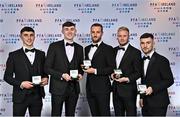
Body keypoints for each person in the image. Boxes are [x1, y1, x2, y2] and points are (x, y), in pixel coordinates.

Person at [3, 26, 48, 116]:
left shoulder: (41, 54)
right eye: (26, 35)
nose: (29, 38)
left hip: (37, 96)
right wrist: (21, 84)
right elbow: (7, 76)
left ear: (34, 36)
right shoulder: (13, 55)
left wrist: (46, 78)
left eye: (31, 35)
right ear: (21, 37)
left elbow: (44, 72)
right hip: (20, 96)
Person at [44, 21, 83, 116]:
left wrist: (81, 74)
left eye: (72, 29)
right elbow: (46, 68)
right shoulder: (54, 46)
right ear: (62, 31)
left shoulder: (79, 48)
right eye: (66, 29)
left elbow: (81, 67)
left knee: (71, 114)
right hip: (57, 88)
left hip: (74, 89)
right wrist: (61, 75)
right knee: (56, 114)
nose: (69, 31)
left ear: (75, 31)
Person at [83, 23, 116, 116]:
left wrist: (95, 71)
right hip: (89, 87)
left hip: (103, 88)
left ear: (102, 33)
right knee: (94, 114)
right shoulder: (87, 48)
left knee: (104, 114)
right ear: (90, 33)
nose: (95, 34)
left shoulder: (108, 49)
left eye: (98, 32)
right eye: (93, 32)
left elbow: (111, 68)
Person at [139, 33, 174, 116]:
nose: (145, 45)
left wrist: (153, 88)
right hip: (145, 103)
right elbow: (143, 80)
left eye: (148, 42)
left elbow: (169, 80)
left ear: (153, 43)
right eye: (142, 43)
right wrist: (141, 97)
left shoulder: (162, 60)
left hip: (159, 103)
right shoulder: (140, 61)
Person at [111, 26, 142, 116]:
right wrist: (111, 75)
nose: (122, 38)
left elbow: (138, 72)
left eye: (124, 36)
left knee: (131, 114)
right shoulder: (113, 50)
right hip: (116, 90)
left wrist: (127, 79)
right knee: (118, 114)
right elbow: (111, 69)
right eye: (120, 36)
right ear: (117, 37)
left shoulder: (135, 52)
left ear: (129, 36)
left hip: (129, 91)